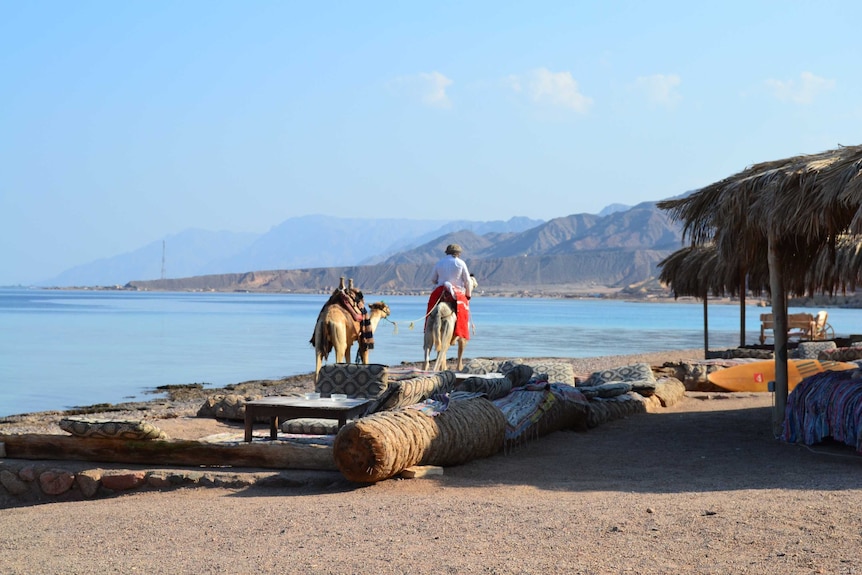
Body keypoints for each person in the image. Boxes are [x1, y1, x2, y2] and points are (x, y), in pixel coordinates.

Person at [427, 243, 473, 342]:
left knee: (431, 308)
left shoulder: (439, 263)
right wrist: (468, 295)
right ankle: (461, 332)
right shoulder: (461, 263)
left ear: (447, 253)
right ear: (458, 253)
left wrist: (440, 281)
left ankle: (428, 328)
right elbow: (468, 281)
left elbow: (433, 279)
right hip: (457, 293)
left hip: (441, 291)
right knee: (464, 311)